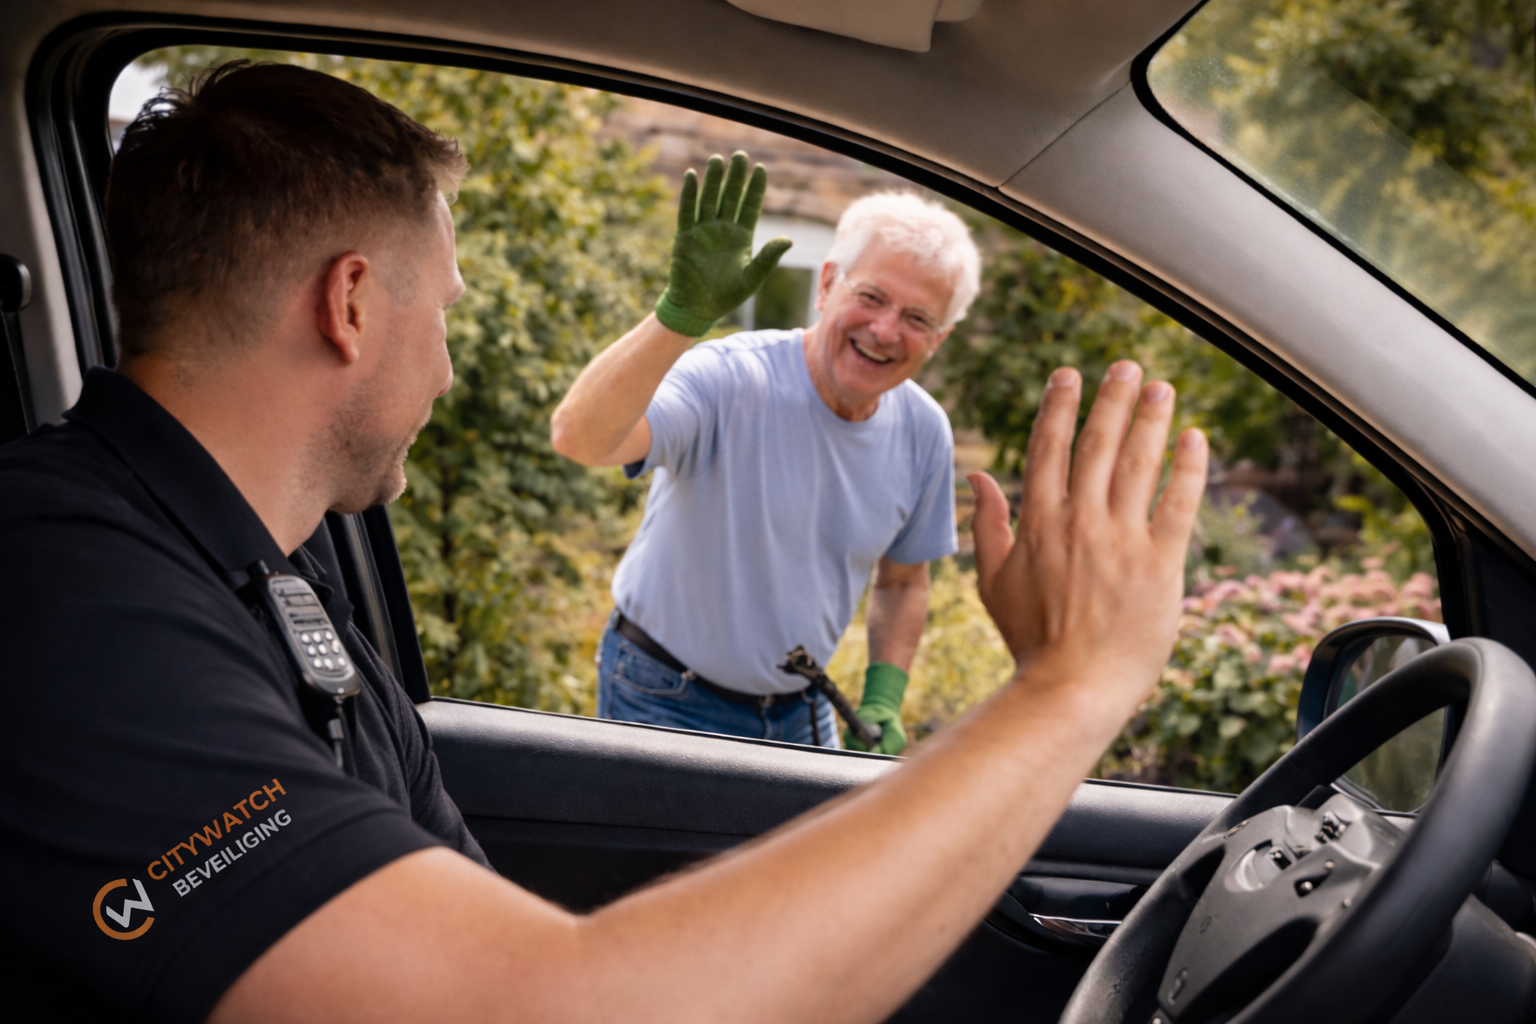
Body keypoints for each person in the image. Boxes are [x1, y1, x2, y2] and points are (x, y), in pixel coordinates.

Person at [0, 61, 1208, 1024]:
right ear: (354, 304)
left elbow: (455, 893)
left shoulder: (270, 560)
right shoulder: (67, 594)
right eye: (448, 308)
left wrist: (895, 691)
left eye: (920, 318)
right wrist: (1070, 688)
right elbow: (535, 1004)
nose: (452, 360)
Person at [551, 161, 981, 753]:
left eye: (916, 318)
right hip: (660, 693)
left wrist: (884, 695)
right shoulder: (731, 378)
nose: (884, 330)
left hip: (803, 711)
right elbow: (580, 437)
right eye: (871, 297)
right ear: (827, 284)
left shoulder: (924, 430)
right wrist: (677, 320)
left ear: (939, 339)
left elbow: (904, 582)